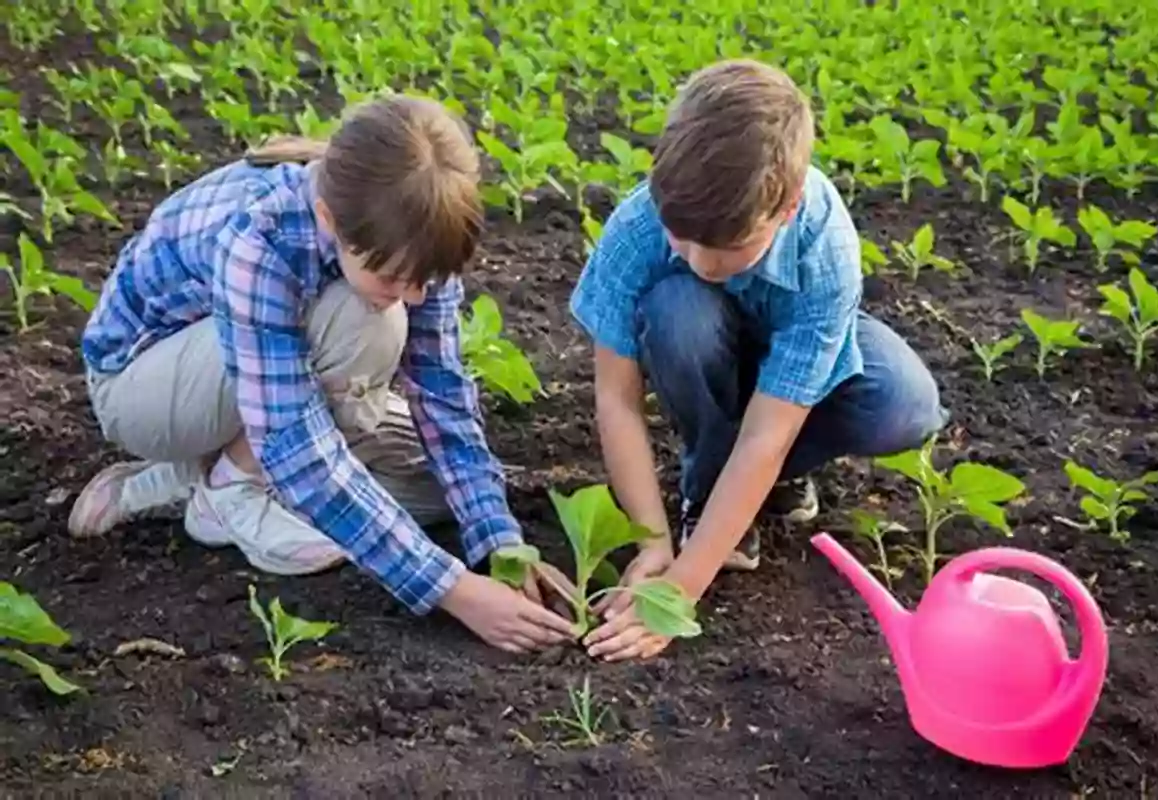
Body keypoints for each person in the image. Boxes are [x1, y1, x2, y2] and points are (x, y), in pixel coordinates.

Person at [68, 94, 575, 654]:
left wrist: (499, 547)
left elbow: (445, 402)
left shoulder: (415, 236)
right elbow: (296, 445)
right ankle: (231, 493)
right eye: (396, 278)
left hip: (244, 383)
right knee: (367, 320)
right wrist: (453, 590)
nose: (414, 296)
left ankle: (185, 476)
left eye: (427, 281)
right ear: (331, 222)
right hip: (142, 387)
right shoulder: (260, 238)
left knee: (435, 492)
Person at [569, 60, 948, 662]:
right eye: (680, 237)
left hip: (784, 374)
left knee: (902, 404)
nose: (696, 258)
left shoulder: (825, 249)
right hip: (694, 342)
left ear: (787, 207)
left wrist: (681, 591)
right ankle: (708, 494)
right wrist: (654, 545)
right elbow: (617, 400)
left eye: (726, 246)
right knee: (678, 305)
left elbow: (767, 436)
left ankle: (754, 488)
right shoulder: (639, 228)